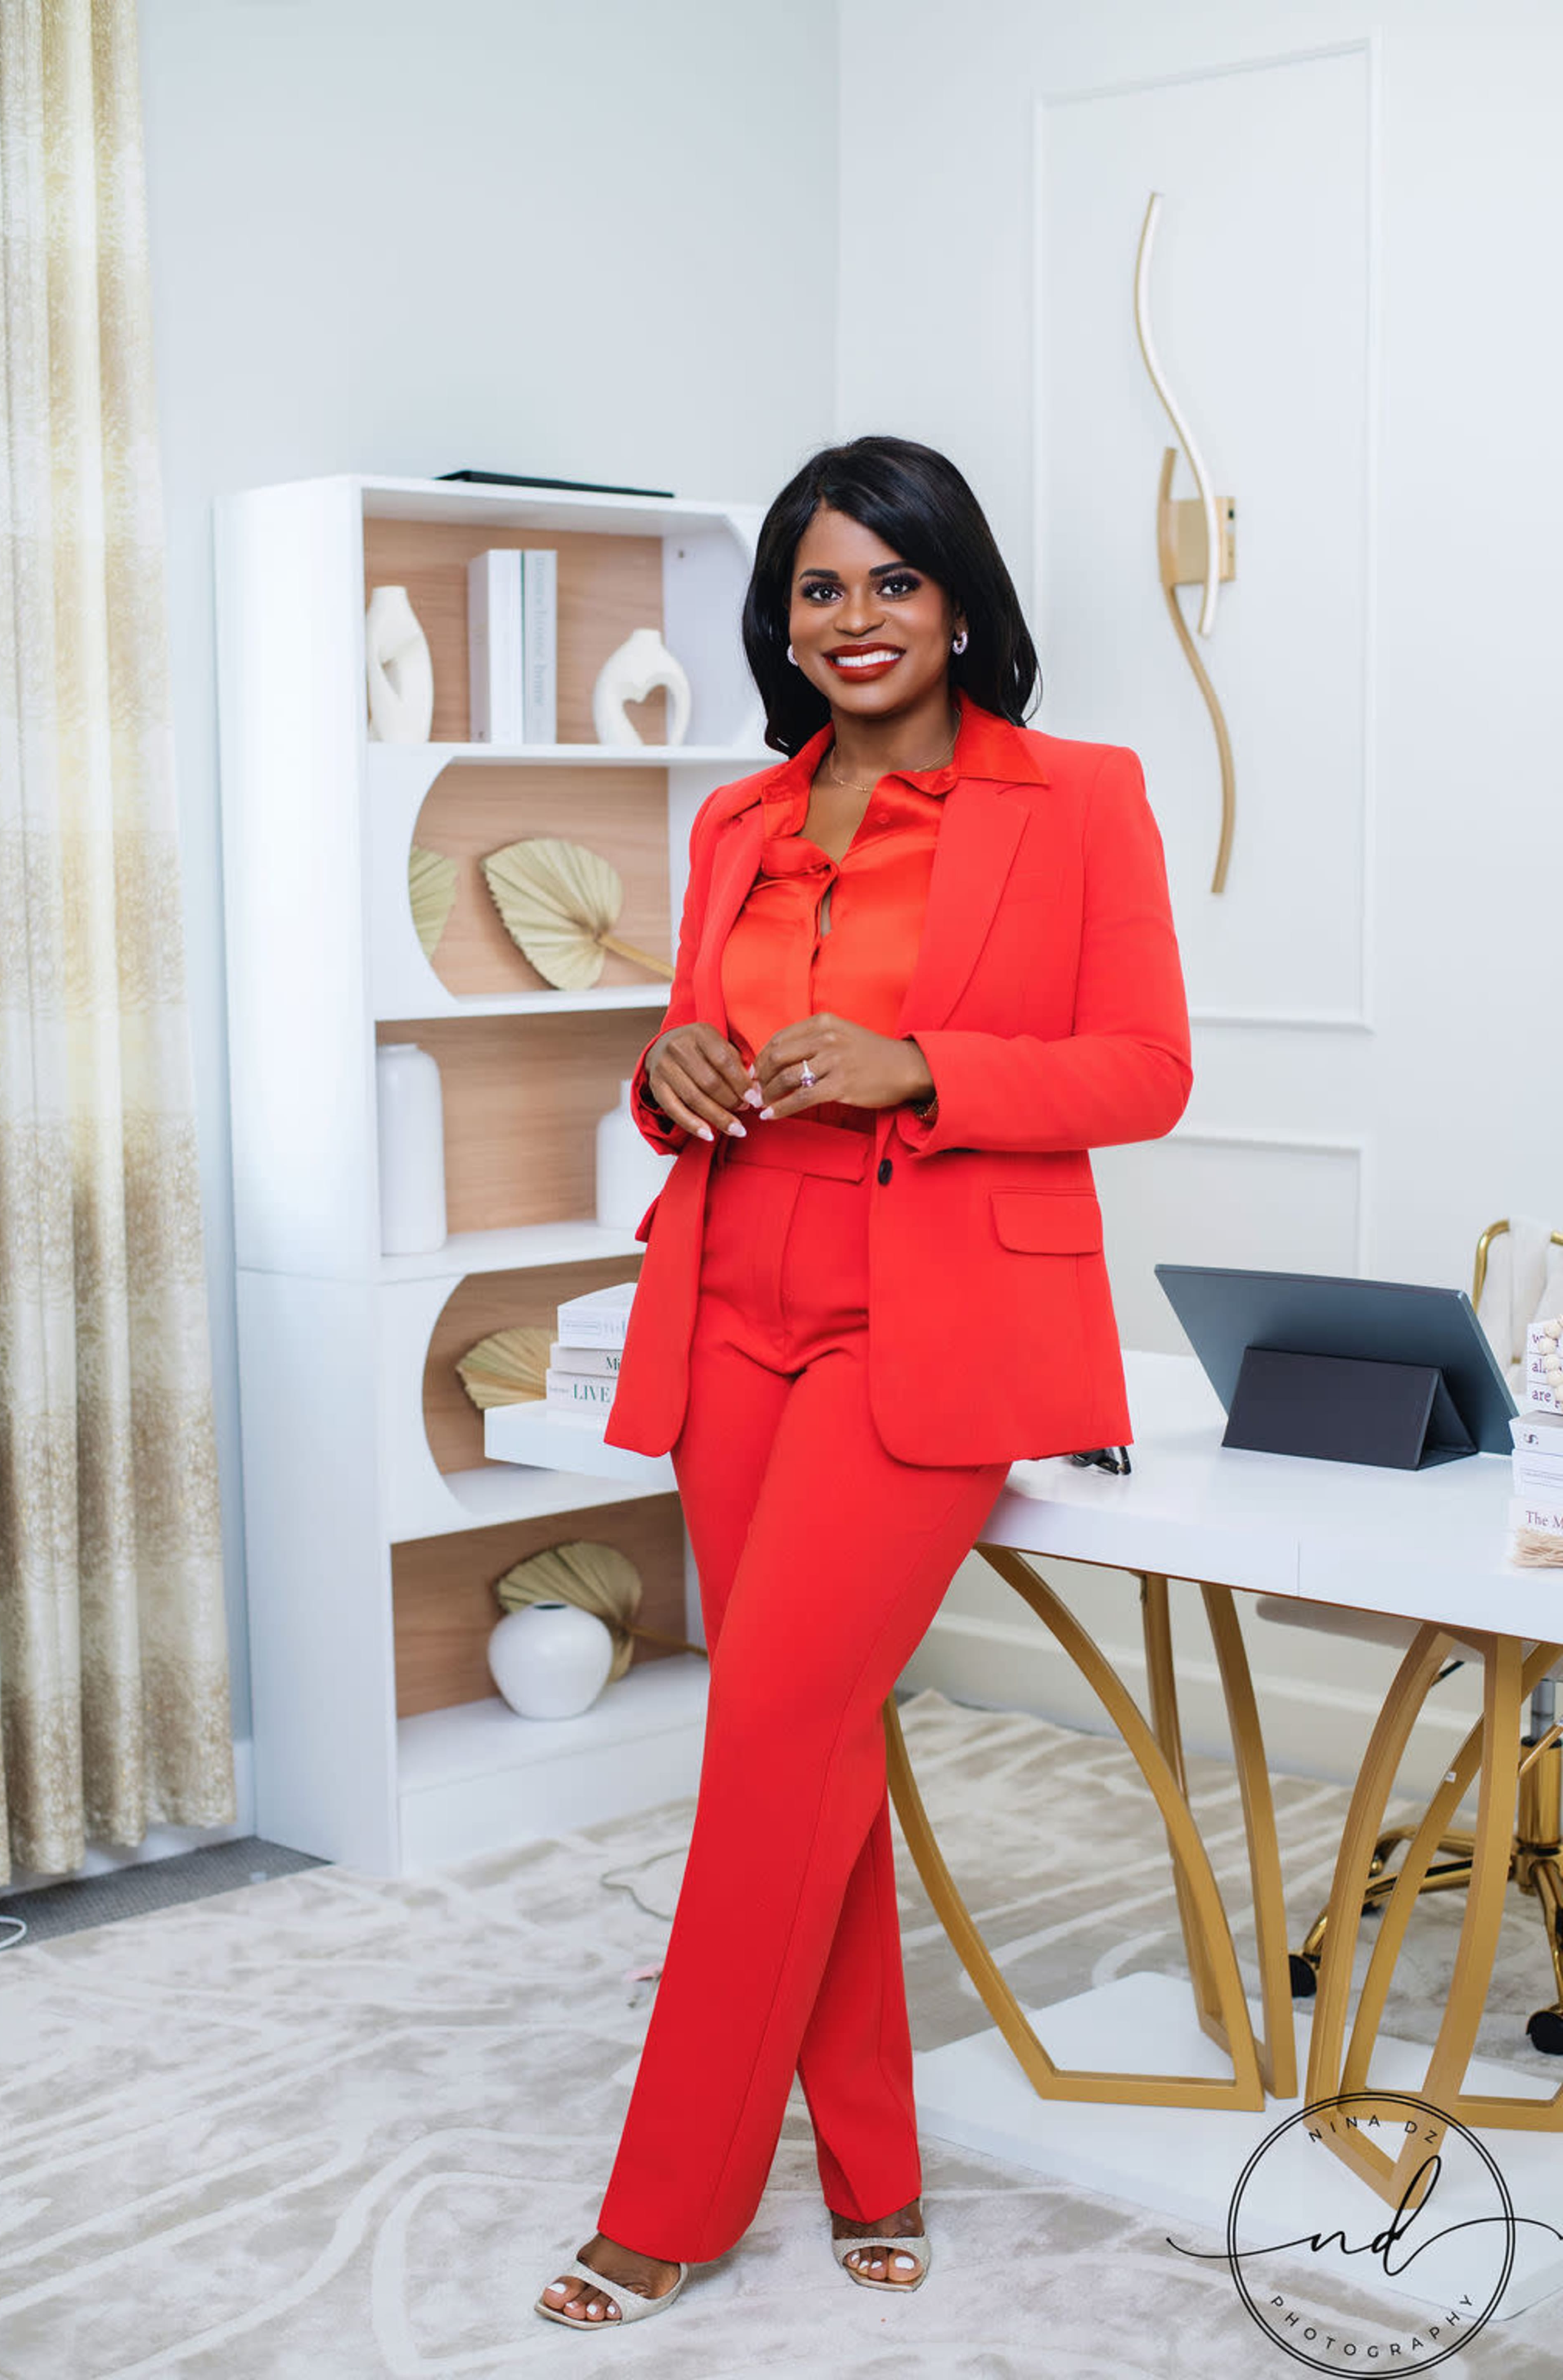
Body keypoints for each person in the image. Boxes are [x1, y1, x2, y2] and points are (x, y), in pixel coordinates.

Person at [535, 434, 1192, 2330]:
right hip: (731, 1306)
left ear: (956, 597)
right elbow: (697, 1036)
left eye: (892, 580)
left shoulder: (1078, 798)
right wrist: (664, 1069)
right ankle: (875, 2164)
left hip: (929, 1329)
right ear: (782, 621)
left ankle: (671, 2200)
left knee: (767, 1734)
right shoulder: (740, 820)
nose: (857, 618)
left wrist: (925, 1066)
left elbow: (1148, 1069)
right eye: (820, 588)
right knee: (803, 1740)